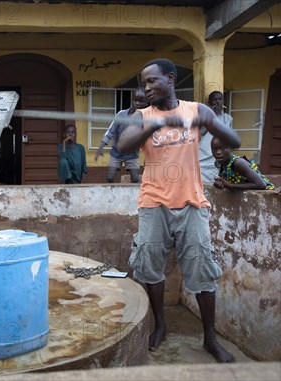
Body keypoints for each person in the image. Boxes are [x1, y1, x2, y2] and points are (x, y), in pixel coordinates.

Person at [117, 58, 241, 363]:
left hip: (191, 203)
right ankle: (160, 325)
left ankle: (210, 338)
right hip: (153, 203)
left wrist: (208, 124)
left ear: (170, 79)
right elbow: (123, 147)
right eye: (143, 83)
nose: (146, 88)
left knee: (202, 271)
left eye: (152, 81)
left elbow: (234, 140)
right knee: (150, 268)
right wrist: (155, 125)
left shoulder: (197, 110)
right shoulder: (141, 115)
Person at [95, 87, 149, 183]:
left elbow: (147, 139)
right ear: (132, 100)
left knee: (136, 179)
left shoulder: (145, 119)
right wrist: (101, 147)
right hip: (116, 152)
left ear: (146, 103)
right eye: (135, 100)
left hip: (132, 154)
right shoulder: (121, 115)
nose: (137, 103)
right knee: (110, 177)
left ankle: (135, 198)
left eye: (141, 101)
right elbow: (110, 131)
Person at [211, 137, 276, 190]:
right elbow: (225, 181)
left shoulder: (238, 163)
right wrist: (220, 183)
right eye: (214, 149)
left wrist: (231, 186)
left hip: (267, 194)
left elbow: (261, 185)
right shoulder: (218, 163)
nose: (218, 152)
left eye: (222, 149)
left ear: (231, 149)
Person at [199, 91, 233, 184]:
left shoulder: (228, 118)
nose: (218, 102)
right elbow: (201, 132)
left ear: (223, 102)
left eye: (220, 99)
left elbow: (229, 137)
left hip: (219, 152)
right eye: (215, 100)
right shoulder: (205, 117)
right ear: (210, 103)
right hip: (204, 152)